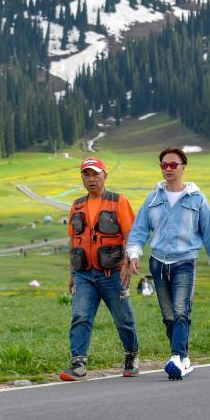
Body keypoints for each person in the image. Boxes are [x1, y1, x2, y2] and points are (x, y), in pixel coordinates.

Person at [126, 147, 210, 380]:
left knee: (181, 312)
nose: (168, 169)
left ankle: (177, 357)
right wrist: (133, 253)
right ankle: (185, 360)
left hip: (184, 262)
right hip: (158, 263)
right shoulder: (153, 198)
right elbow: (139, 229)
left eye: (173, 165)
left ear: (183, 167)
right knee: (168, 315)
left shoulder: (197, 199)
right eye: (164, 165)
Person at [60, 157, 139, 381]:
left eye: (96, 174)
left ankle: (131, 356)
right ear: (82, 178)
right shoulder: (76, 205)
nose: (91, 179)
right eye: (87, 174)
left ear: (105, 175)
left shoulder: (119, 202)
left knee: (123, 318)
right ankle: (78, 363)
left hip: (112, 272)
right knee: (80, 316)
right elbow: (73, 240)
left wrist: (126, 263)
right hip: (83, 273)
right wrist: (71, 274)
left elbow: (130, 236)